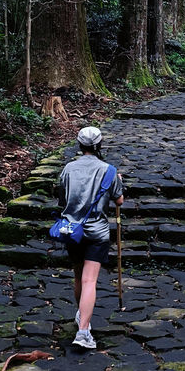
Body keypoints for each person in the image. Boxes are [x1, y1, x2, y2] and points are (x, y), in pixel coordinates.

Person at [57, 126, 123, 350]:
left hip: (72, 230)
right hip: (96, 232)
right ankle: (83, 331)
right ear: (99, 145)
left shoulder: (68, 168)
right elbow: (120, 200)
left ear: (79, 144)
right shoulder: (109, 170)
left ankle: (81, 317)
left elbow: (62, 198)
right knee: (89, 281)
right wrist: (118, 181)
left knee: (78, 277)